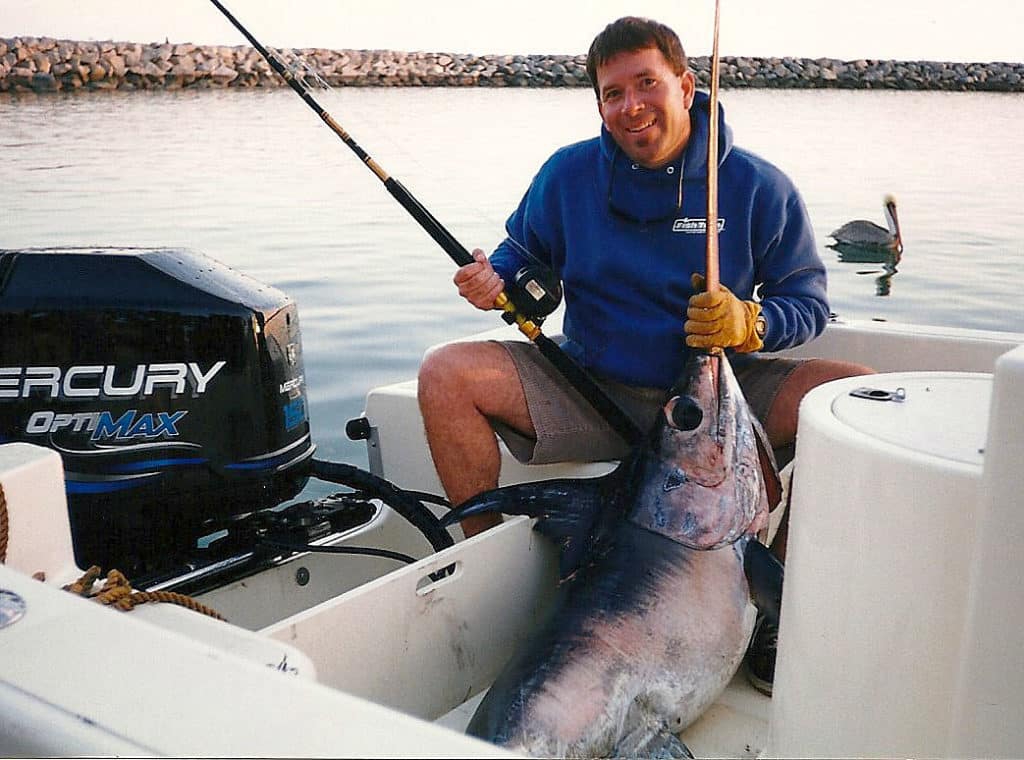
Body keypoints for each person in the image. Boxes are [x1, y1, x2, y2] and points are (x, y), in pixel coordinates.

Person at [417, 16, 872, 695]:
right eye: (611, 92)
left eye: (646, 84)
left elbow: (806, 303)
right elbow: (523, 256)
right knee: (444, 373)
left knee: (854, 397)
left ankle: (772, 593)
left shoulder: (753, 185)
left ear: (687, 85)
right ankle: (484, 562)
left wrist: (751, 323)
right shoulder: (569, 173)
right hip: (592, 381)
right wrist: (494, 278)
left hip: (719, 397)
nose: (630, 107)